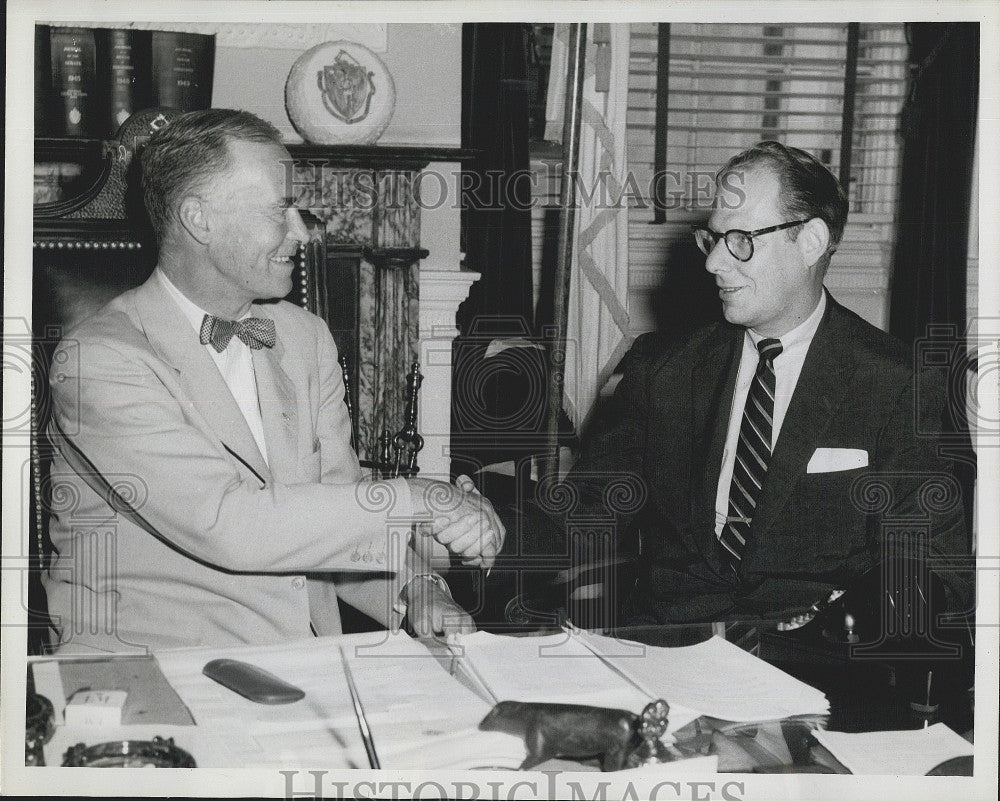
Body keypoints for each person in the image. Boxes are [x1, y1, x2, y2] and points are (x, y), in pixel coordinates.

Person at [42, 109, 504, 653]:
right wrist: (419, 498)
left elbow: (338, 510)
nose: (302, 232)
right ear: (199, 220)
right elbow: (230, 525)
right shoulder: (98, 359)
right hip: (150, 674)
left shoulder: (303, 338)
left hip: (305, 666)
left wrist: (420, 590)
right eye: (280, 210)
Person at [557, 141, 969, 625]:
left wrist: (856, 618)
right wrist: (492, 530)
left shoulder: (898, 384)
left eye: (741, 240)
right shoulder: (661, 368)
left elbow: (934, 568)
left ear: (811, 241)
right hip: (668, 650)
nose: (713, 264)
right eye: (713, 239)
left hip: (813, 661)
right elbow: (586, 513)